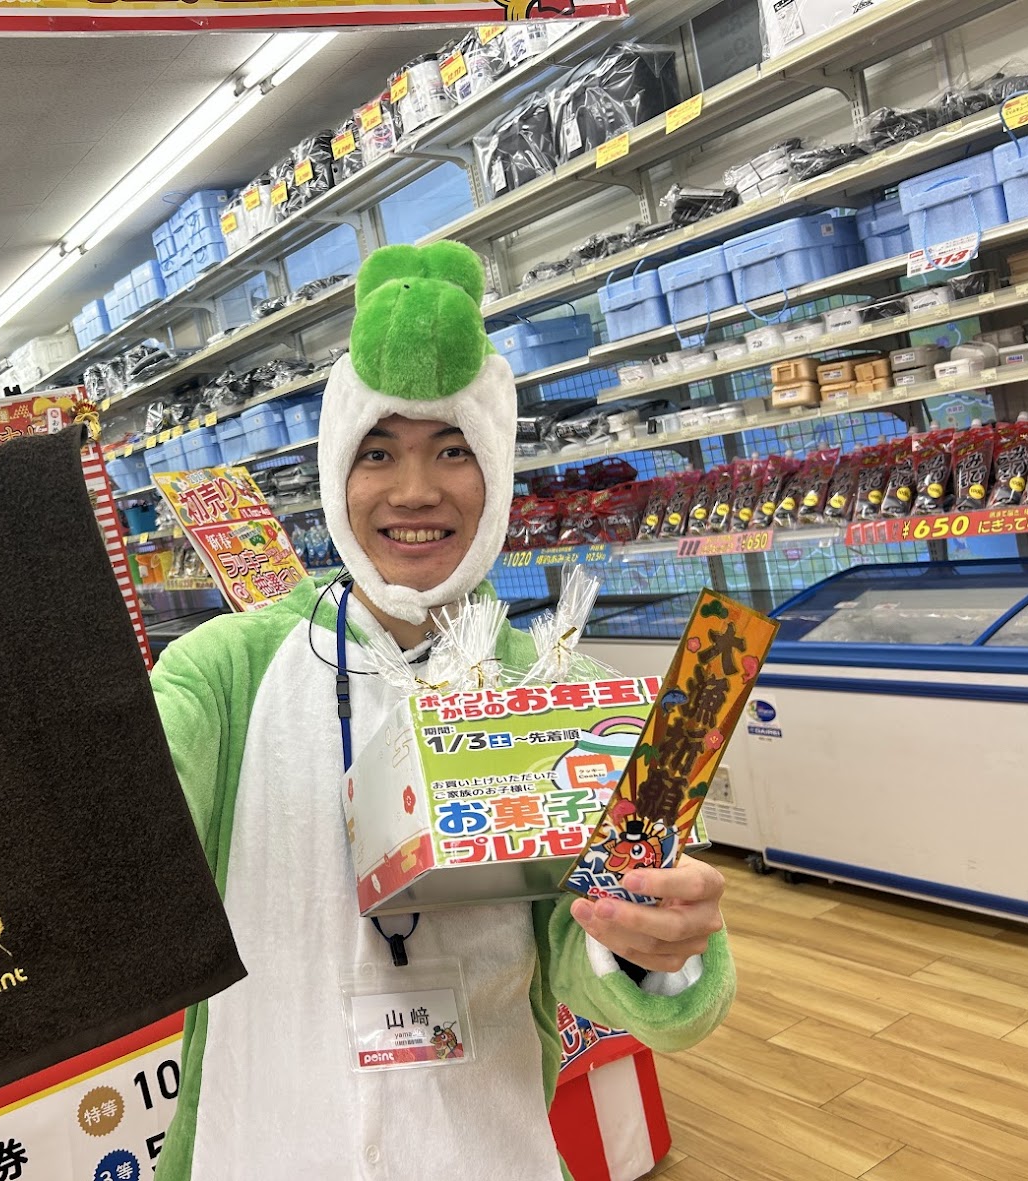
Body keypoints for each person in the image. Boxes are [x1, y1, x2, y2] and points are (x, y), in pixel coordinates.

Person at [150, 242, 733, 1180]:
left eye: (452, 450)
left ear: (495, 471)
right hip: (258, 1141)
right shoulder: (225, 672)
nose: (414, 491)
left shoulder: (556, 690)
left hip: (479, 1146)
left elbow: (598, 960)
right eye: (377, 451)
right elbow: (120, 819)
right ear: (335, 473)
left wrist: (651, 943)